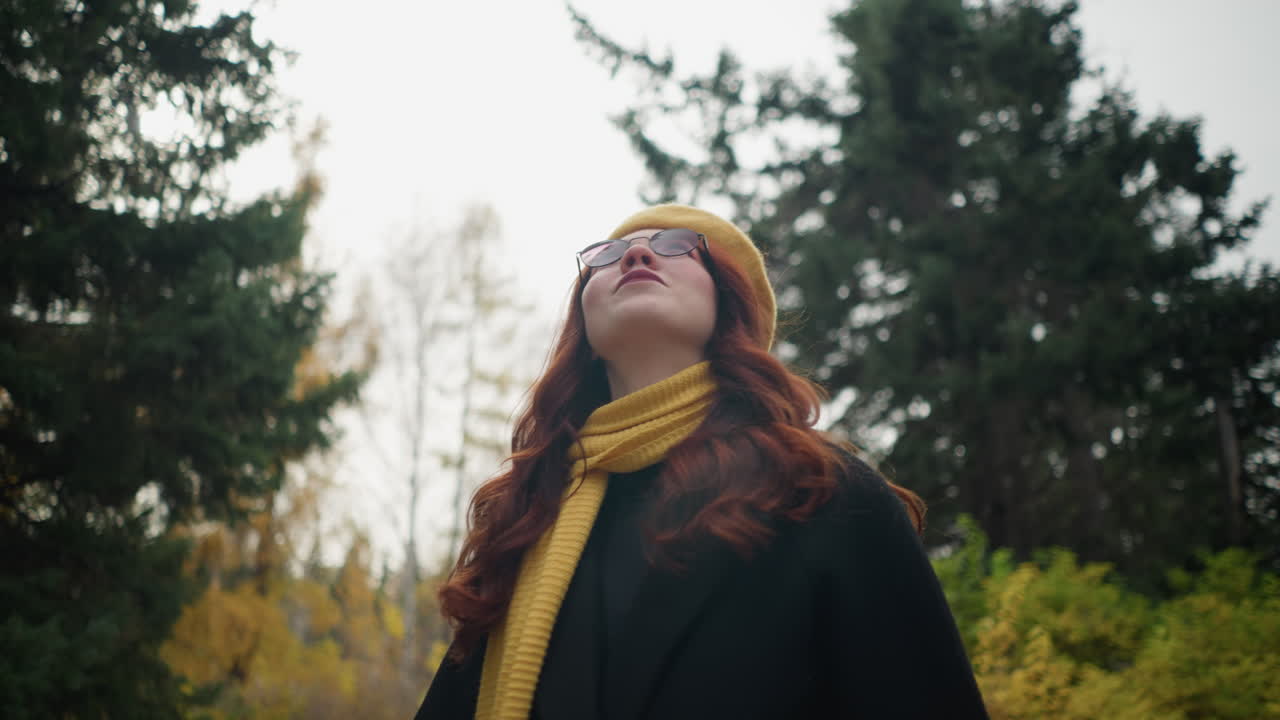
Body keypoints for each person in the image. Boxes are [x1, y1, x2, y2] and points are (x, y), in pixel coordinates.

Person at [414, 205, 988, 719]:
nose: (636, 253)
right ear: (582, 329)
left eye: (676, 246)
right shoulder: (524, 519)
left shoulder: (823, 491)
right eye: (607, 256)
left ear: (729, 305)